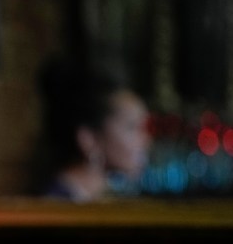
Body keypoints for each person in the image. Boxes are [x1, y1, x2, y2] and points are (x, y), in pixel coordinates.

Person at [34, 55, 152, 201]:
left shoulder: (98, 198)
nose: (146, 140)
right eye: (132, 127)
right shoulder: (55, 206)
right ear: (89, 138)